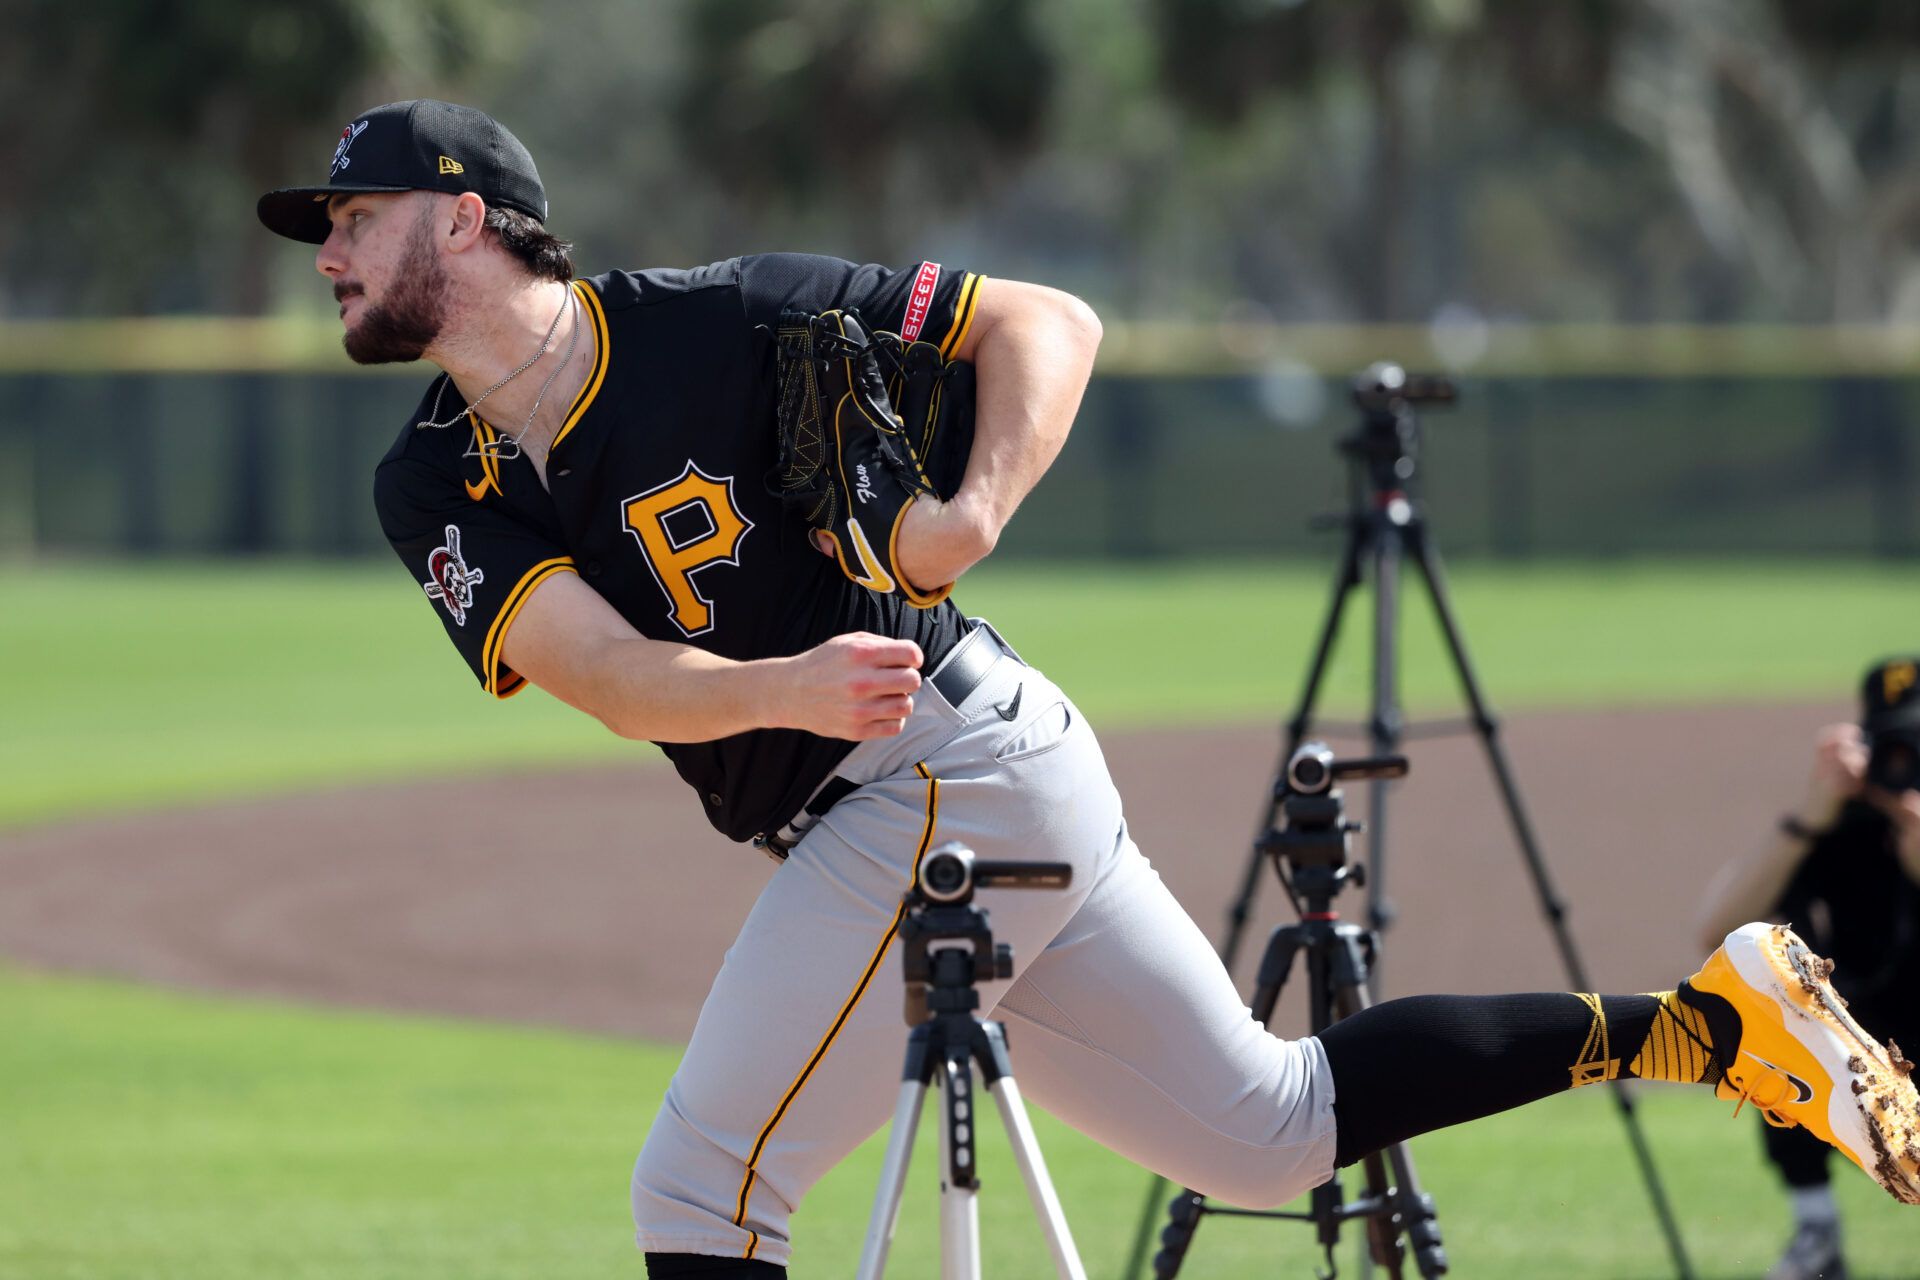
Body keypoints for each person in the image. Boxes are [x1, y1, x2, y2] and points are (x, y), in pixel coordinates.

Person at [257, 100, 1920, 1278]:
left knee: (701, 1192)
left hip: (949, 771)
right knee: (1269, 1133)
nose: (327, 251)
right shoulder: (436, 482)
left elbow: (1046, 321)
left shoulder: (725, 320)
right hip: (911, 778)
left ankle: (1723, 1027)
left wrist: (966, 517)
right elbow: (615, 680)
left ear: (463, 217)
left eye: (352, 218)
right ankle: (1711, 1025)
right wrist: (778, 680)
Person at [1697, 659, 1920, 1280]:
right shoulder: (1834, 826)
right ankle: (1817, 1229)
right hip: (1861, 1041)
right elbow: (1718, 931)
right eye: (1895, 745)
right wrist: (1807, 819)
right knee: (1765, 1013)